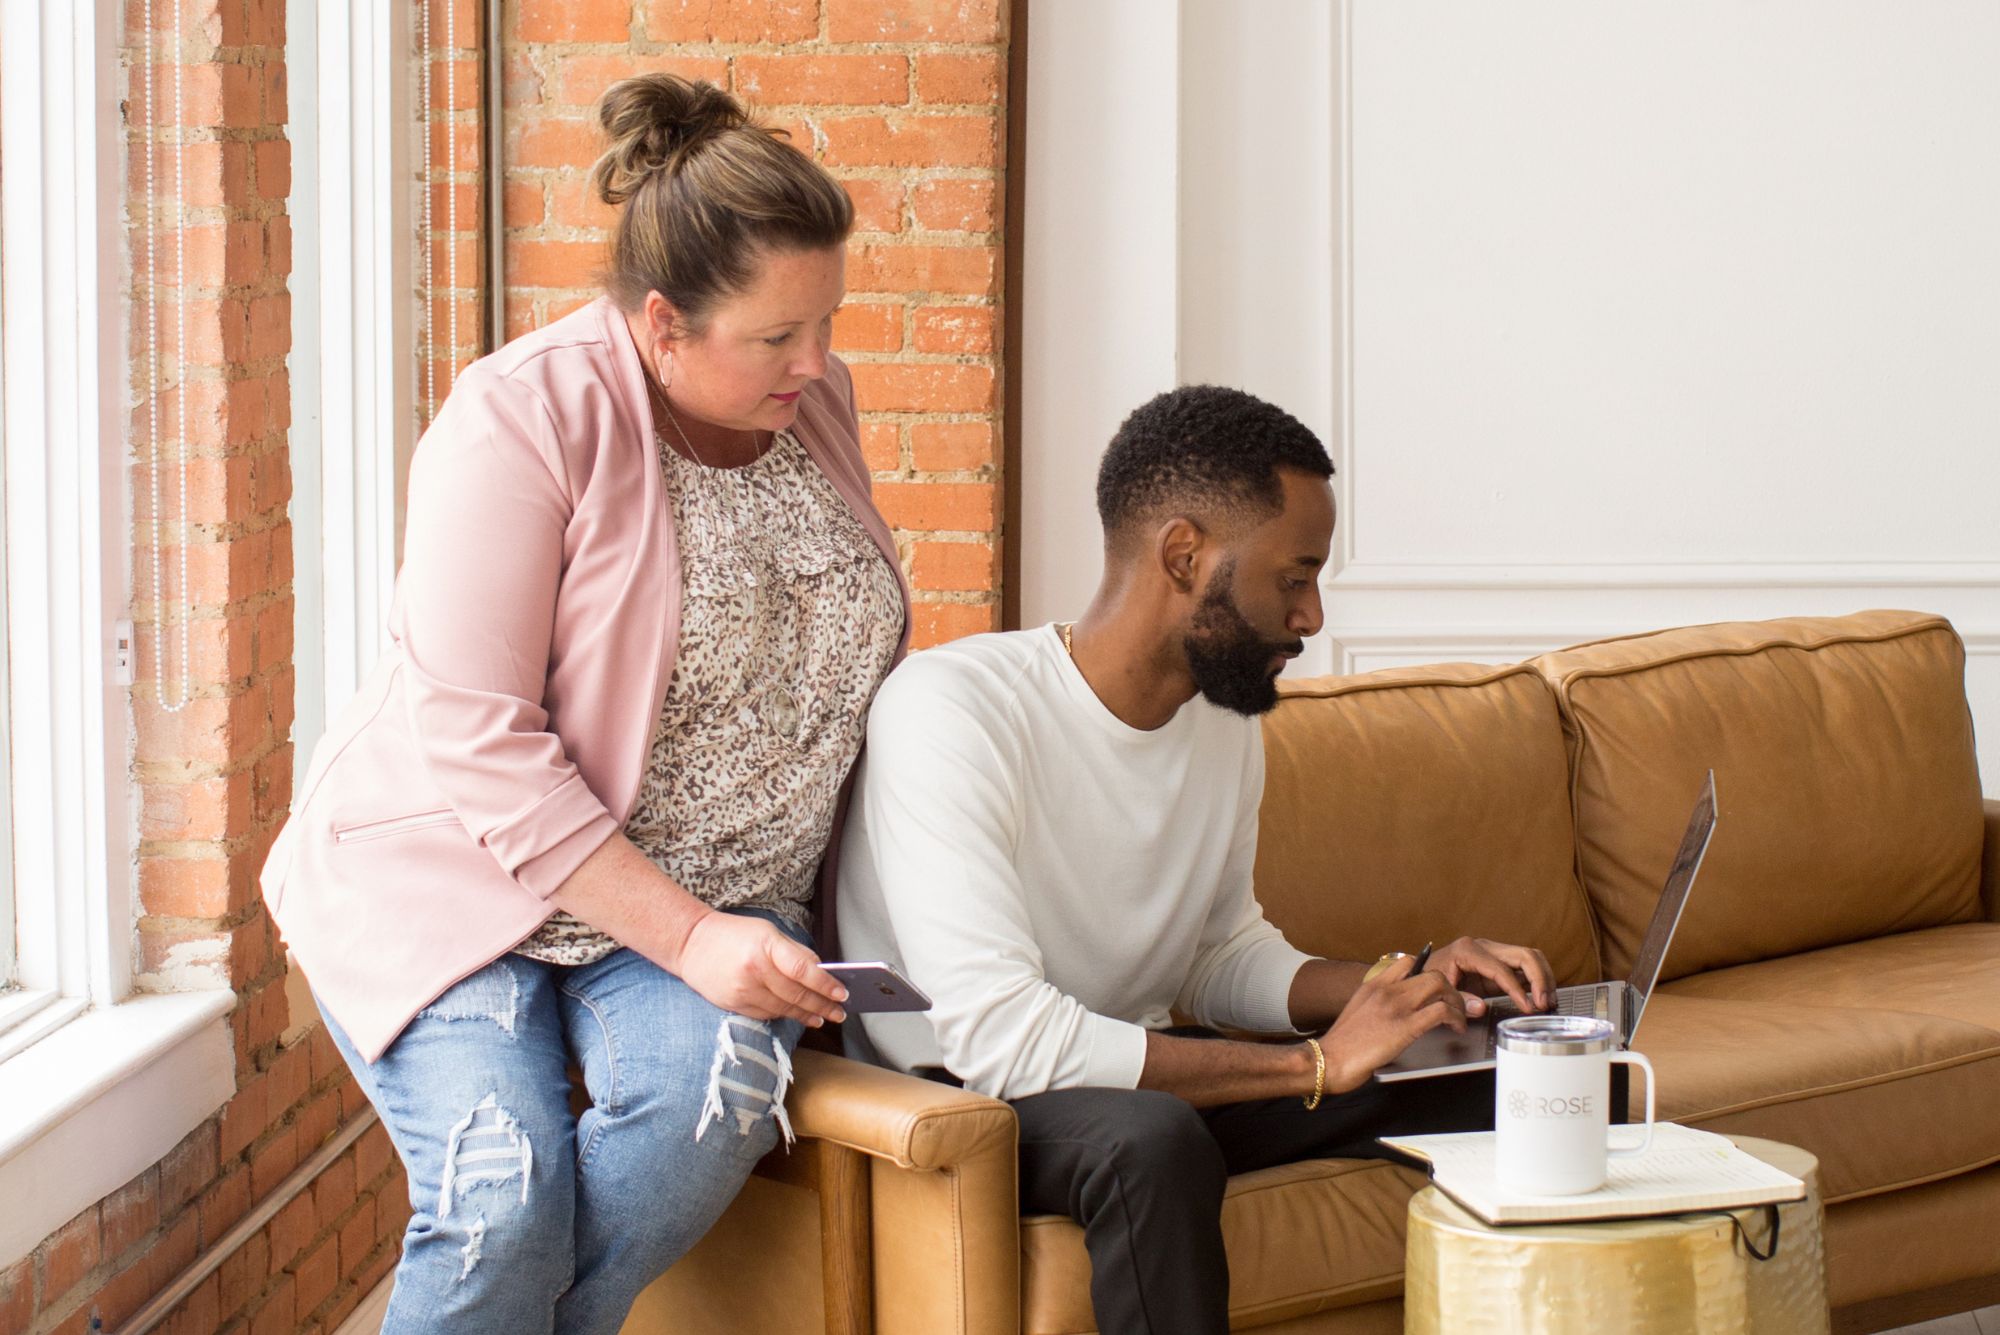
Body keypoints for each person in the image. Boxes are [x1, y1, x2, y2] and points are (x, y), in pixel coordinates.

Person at [259, 75, 909, 1333]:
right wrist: (687, 939)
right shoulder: (518, 418)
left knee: (704, 1119)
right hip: (467, 882)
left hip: (717, 905)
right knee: (501, 1198)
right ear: (663, 326)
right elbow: (480, 742)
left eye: (825, 321)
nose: (817, 362)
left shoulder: (810, 404)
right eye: (776, 336)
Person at [836, 385, 1555, 1335]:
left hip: (1132, 1074)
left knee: (1513, 1064)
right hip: (965, 1102)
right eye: (1294, 577)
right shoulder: (952, 711)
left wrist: (1409, 983)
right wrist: (1312, 1066)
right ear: (1185, 556)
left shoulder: (1221, 722)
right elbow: (1002, 1044)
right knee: (1153, 1139)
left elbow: (1218, 956)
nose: (1312, 615)